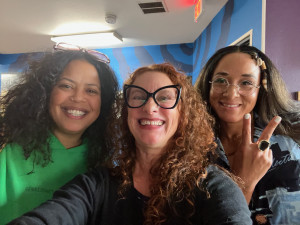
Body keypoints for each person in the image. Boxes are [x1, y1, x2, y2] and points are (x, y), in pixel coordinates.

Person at [8, 63, 252, 225]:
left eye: (165, 97)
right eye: (138, 96)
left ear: (183, 113)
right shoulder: (97, 184)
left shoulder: (214, 186)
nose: (150, 106)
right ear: (126, 113)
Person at [0, 43, 118, 224]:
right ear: (46, 92)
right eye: (66, 86)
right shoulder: (6, 147)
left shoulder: (106, 162)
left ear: (103, 102)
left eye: (91, 90)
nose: (78, 97)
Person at [195, 45, 300, 225]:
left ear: (262, 89)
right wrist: (244, 184)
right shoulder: (190, 149)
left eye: (246, 83)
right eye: (221, 80)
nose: (231, 93)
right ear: (208, 85)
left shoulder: (290, 148)